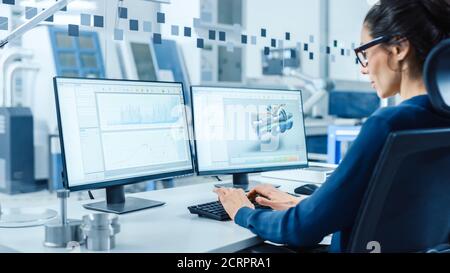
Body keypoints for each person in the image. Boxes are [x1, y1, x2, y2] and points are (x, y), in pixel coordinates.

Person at [214, 0, 450, 253]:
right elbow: (400, 208)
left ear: (399, 48)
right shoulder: (437, 119)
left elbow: (299, 231)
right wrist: (306, 205)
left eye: (365, 52)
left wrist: (242, 211)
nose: (363, 68)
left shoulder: (388, 124)